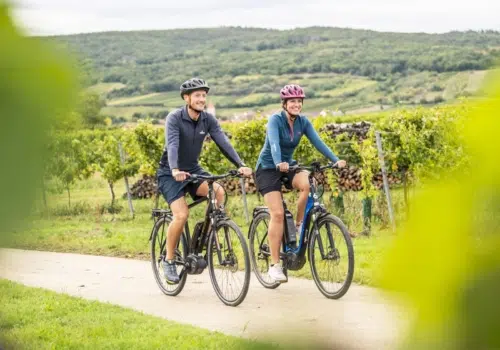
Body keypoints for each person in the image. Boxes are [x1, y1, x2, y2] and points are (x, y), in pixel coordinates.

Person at [157, 77, 252, 284]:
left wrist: (240, 164)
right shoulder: (174, 118)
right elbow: (172, 145)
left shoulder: (208, 119)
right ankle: (169, 259)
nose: (202, 99)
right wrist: (174, 169)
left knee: (218, 191)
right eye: (198, 95)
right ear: (186, 98)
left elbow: (223, 142)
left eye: (204, 96)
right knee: (181, 214)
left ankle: (209, 232)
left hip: (193, 170)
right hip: (170, 173)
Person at [255, 84, 347, 283]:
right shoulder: (275, 120)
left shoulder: (303, 122)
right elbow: (273, 143)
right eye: (292, 101)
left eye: (299, 101)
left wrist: (335, 159)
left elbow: (318, 142)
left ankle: (298, 225)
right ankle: (274, 265)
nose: (296, 104)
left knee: (308, 182)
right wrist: (279, 161)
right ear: (284, 104)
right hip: (269, 168)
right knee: (278, 214)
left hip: (288, 166)